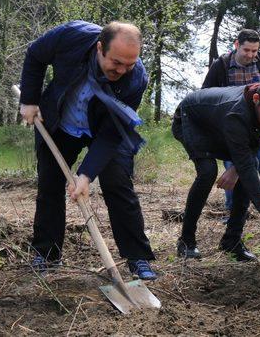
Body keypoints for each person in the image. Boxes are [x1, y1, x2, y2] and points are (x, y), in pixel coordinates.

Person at [19, 20, 157, 281]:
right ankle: (47, 254)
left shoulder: (135, 79)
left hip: (105, 129)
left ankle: (138, 257)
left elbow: (112, 133)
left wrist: (86, 175)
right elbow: (35, 55)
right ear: (100, 48)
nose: (123, 70)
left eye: (130, 64)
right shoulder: (71, 36)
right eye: (116, 62)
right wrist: (29, 99)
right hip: (61, 121)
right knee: (49, 185)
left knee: (118, 184)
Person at [172, 76, 260, 261]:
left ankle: (232, 241)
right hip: (191, 118)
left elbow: (254, 144)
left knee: (249, 166)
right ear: (256, 99)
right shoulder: (237, 114)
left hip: (217, 121)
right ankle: (186, 240)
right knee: (207, 171)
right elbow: (246, 166)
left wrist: (236, 168)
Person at [202, 29, 260, 216]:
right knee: (232, 167)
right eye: (246, 50)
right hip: (231, 126)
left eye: (254, 51)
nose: (250, 55)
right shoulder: (221, 65)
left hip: (259, 125)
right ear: (236, 45)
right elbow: (206, 94)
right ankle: (234, 211)